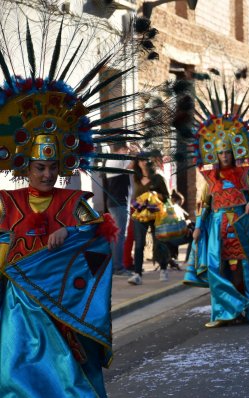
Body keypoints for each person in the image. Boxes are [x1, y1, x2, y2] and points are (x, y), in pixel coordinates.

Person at [0, 6, 158, 395]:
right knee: (14, 373)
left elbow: (100, 236)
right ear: (26, 166)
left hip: (61, 309)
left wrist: (67, 233)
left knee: (64, 377)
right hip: (19, 307)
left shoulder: (74, 201)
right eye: (40, 167)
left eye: (53, 167)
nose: (47, 174)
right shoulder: (8, 201)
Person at [180, 80, 249, 328]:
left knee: (243, 269)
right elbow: (204, 206)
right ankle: (228, 310)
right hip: (218, 229)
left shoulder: (245, 176)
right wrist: (199, 226)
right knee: (217, 269)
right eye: (220, 153)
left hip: (243, 227)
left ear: (233, 153)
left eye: (227, 153)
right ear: (215, 155)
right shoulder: (209, 179)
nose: (224, 156)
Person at [128, 156, 171, 285]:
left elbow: (166, 197)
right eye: (141, 160)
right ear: (138, 163)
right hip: (140, 214)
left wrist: (155, 195)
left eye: (146, 160)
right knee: (139, 244)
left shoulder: (158, 178)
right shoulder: (136, 178)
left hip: (156, 214)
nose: (144, 162)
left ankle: (163, 269)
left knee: (159, 242)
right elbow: (134, 197)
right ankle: (137, 274)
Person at [105, 143, 132, 276]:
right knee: (119, 236)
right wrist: (136, 153)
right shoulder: (117, 159)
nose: (127, 153)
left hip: (114, 203)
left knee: (116, 235)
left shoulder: (110, 160)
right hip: (119, 203)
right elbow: (132, 166)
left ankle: (114, 266)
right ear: (121, 149)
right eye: (126, 150)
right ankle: (118, 267)